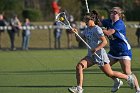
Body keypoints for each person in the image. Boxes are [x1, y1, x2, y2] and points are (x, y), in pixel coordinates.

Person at [68, 14, 135, 93]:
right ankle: (79, 88)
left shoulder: (97, 29)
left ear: (92, 20)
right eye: (84, 20)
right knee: (79, 66)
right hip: (91, 56)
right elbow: (79, 40)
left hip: (100, 56)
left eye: (86, 20)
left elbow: (104, 42)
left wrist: (96, 49)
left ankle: (128, 77)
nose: (85, 22)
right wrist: (76, 33)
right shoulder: (87, 29)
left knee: (110, 73)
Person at [101, 7, 140, 93]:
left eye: (115, 12)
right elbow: (98, 23)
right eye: (111, 12)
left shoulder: (120, 23)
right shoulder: (107, 21)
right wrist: (94, 20)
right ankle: (117, 81)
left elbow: (108, 32)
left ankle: (138, 89)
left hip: (123, 50)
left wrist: (100, 29)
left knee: (127, 71)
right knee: (103, 66)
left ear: (119, 15)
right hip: (113, 51)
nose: (112, 13)